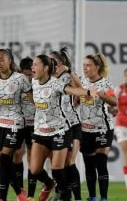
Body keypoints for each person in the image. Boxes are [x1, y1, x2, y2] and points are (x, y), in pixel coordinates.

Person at [30, 54, 97, 201]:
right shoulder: (34, 82)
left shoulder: (58, 82)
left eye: (35, 65)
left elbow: (74, 91)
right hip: (41, 131)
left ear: (46, 67)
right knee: (34, 169)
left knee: (62, 166)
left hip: (61, 129)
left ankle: (67, 195)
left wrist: (87, 92)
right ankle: (51, 185)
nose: (32, 67)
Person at [0, 48, 29, 201]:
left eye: (1, 60)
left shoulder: (20, 78)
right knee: (3, 162)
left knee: (4, 159)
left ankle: (18, 192)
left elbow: (32, 98)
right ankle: (1, 197)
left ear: (10, 61)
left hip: (16, 125)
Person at [78, 53, 117, 201]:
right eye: (84, 65)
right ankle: (93, 197)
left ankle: (104, 198)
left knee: (101, 163)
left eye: (88, 65)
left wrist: (100, 94)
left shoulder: (106, 85)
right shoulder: (81, 82)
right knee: (89, 165)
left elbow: (114, 101)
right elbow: (75, 98)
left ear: (97, 67)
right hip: (85, 130)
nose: (85, 68)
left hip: (103, 129)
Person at [49, 47, 82, 201]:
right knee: (57, 165)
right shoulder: (45, 78)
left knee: (70, 162)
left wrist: (70, 71)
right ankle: (61, 194)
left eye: (54, 61)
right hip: (54, 126)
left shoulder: (67, 77)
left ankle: (76, 197)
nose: (51, 63)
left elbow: (82, 90)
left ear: (61, 63)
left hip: (72, 124)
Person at [11, 57, 35, 200]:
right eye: (25, 74)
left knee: (33, 160)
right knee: (17, 155)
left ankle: (31, 195)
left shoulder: (38, 84)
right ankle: (21, 192)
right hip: (20, 124)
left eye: (30, 75)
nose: (28, 77)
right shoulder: (18, 84)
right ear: (21, 72)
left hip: (35, 125)